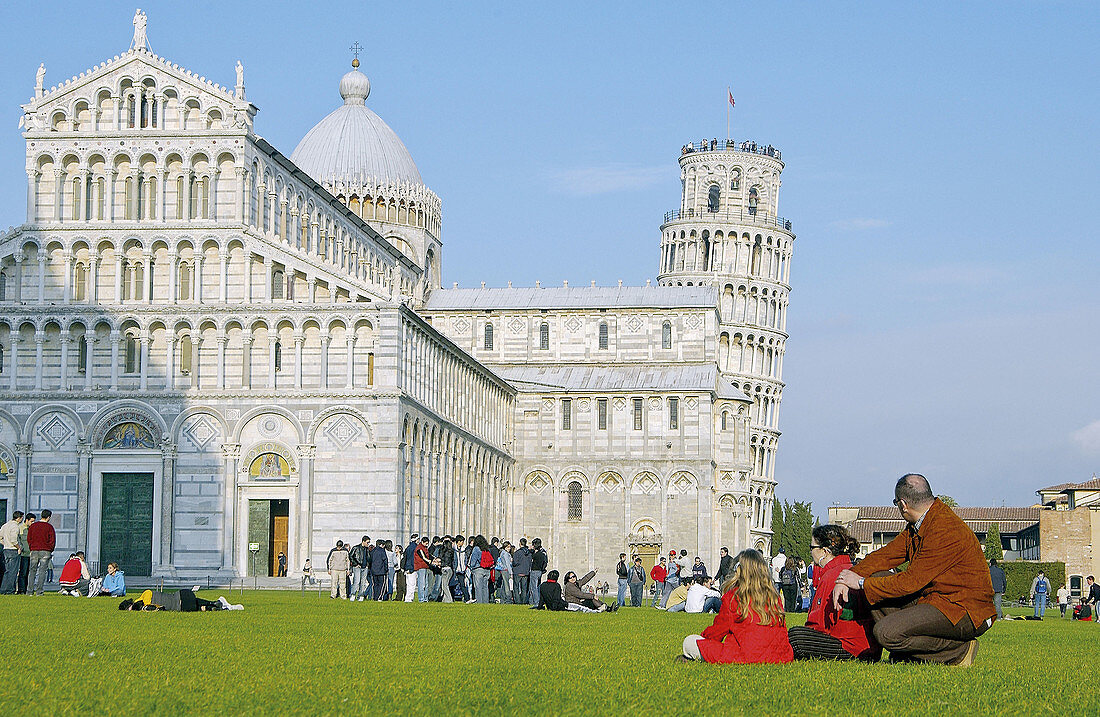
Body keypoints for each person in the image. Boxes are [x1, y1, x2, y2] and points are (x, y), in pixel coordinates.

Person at [834, 474, 995, 666]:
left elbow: (910, 582)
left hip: (965, 610)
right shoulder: (919, 526)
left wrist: (860, 583)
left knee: (884, 633)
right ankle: (906, 654)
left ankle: (958, 652)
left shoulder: (944, 528)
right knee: (876, 580)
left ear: (903, 504)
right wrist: (850, 576)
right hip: (938, 601)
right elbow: (886, 555)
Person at [678, 549, 793, 664]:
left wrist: (703, 639)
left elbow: (716, 632)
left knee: (689, 641)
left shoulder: (734, 597)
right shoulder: (774, 597)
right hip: (779, 656)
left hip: (745, 656)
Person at [788, 524, 880, 661]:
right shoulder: (852, 569)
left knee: (795, 636)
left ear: (824, 551)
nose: (810, 552)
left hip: (849, 646)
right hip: (866, 645)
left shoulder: (831, 576)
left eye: (812, 547)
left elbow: (818, 625)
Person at [122, 589, 243, 612]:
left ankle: (221, 606)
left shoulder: (145, 600)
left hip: (181, 606)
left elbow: (150, 605)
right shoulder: (146, 593)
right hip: (181, 597)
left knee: (200, 607)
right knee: (199, 604)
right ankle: (218, 603)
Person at [27, 508, 56, 596]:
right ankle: (39, 591)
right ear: (48, 517)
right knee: (42, 571)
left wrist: (31, 547)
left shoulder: (33, 526)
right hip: (45, 550)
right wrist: (50, 549)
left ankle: (30, 591)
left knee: (32, 571)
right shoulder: (49, 527)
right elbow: (52, 540)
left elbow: (29, 538)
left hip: (34, 550)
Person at [0, 510, 22, 594]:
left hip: (6, 549)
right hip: (13, 550)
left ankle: (3, 589)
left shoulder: (5, 525)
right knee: (13, 571)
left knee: (7, 571)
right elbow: (14, 540)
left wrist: (5, 543)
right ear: (19, 518)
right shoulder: (15, 527)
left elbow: (0, 536)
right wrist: (18, 547)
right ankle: (10, 590)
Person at [350, 536, 370, 602]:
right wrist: (355, 564)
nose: (368, 544)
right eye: (367, 542)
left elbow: (368, 558)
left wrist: (367, 564)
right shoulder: (356, 548)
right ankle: (353, 594)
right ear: (363, 541)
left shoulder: (367, 549)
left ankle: (360, 595)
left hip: (365, 567)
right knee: (356, 581)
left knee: (363, 582)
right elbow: (351, 556)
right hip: (357, 567)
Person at [16, 513, 33, 594]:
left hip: (30, 553)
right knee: (23, 572)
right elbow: (18, 540)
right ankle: (21, 589)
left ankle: (26, 589)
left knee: (28, 573)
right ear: (27, 520)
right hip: (23, 554)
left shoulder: (32, 529)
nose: (32, 523)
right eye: (31, 521)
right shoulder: (21, 528)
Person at [512, 537, 531, 605]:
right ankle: (523, 601)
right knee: (524, 589)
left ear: (520, 544)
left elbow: (515, 562)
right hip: (525, 572)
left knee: (516, 588)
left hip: (517, 572)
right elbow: (530, 563)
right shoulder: (529, 553)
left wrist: (513, 562)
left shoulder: (517, 553)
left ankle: (517, 601)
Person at [414, 536, 433, 603]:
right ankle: (421, 598)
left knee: (426, 584)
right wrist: (429, 561)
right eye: (426, 543)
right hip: (420, 566)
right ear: (422, 542)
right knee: (422, 584)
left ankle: (425, 598)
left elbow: (428, 555)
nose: (427, 545)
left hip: (425, 566)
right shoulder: (419, 548)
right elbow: (423, 557)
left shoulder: (425, 548)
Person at [529, 537, 547, 607]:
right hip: (540, 571)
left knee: (533, 588)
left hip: (534, 571)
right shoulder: (543, 554)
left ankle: (536, 602)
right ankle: (533, 601)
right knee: (537, 587)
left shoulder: (536, 554)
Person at [402, 534, 419, 603]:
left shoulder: (408, 547)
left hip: (407, 568)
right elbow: (413, 559)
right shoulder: (415, 548)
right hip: (412, 568)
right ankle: (409, 598)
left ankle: (407, 598)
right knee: (412, 584)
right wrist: (412, 568)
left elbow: (404, 558)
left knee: (408, 584)